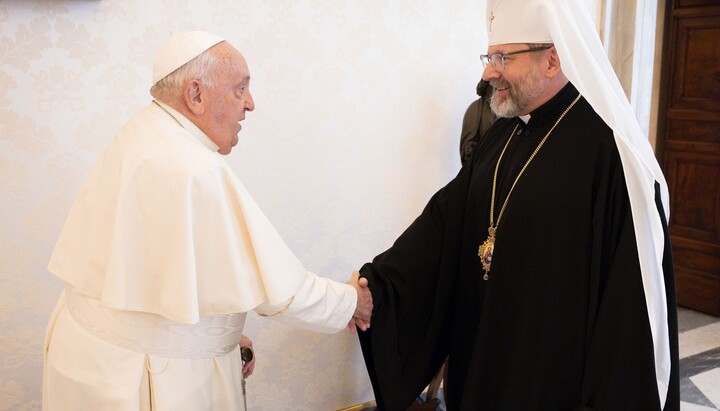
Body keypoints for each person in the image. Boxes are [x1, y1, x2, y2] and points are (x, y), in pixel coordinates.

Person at [356, 0, 679, 410]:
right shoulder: (502, 136)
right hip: (484, 362)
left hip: (553, 382)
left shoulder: (612, 156)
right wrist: (378, 286)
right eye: (490, 56)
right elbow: (443, 225)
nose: (489, 71)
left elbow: (628, 311)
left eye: (502, 57)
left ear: (553, 60)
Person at [42, 30, 372, 411]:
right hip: (142, 374)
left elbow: (160, 269)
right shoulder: (194, 167)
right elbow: (281, 292)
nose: (250, 104)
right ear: (195, 95)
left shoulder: (145, 131)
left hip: (94, 355)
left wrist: (222, 331)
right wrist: (353, 302)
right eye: (239, 89)